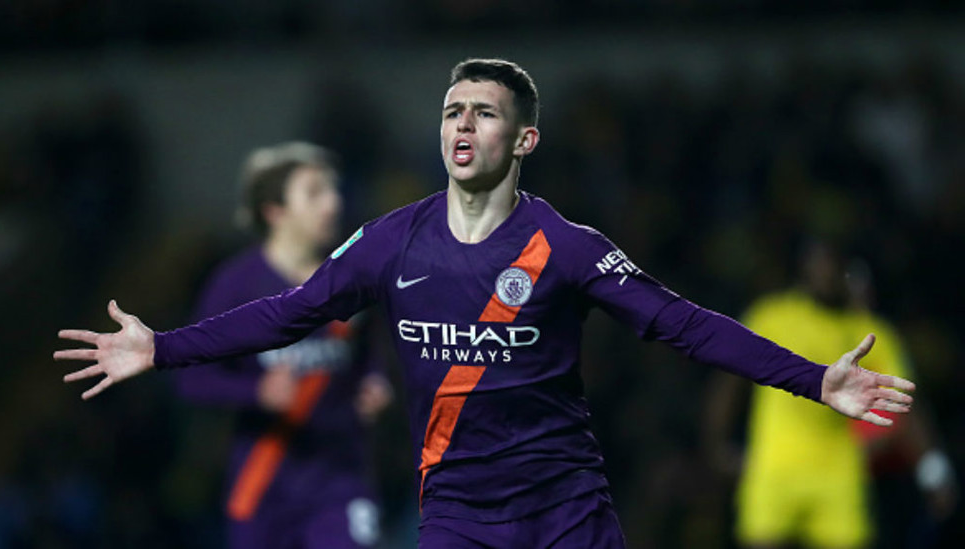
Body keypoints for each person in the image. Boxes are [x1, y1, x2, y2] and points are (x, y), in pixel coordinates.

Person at [56, 58, 915, 548]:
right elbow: (288, 313)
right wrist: (160, 347)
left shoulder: (568, 249)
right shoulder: (393, 240)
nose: (461, 124)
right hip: (461, 518)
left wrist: (816, 381)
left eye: (484, 113)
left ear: (524, 139)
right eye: (450, 110)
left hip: (569, 512)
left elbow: (683, 326)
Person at [174, 142, 392, 548]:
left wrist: (375, 382)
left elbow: (367, 352)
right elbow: (191, 379)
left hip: (340, 477)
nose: (332, 203)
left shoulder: (351, 279)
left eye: (333, 190)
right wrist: (255, 391)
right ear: (274, 211)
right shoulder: (235, 286)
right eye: (315, 193)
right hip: (263, 481)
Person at [703, 240, 954, 549]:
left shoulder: (869, 331)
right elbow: (730, 381)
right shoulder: (772, 317)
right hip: (773, 468)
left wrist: (933, 470)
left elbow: (908, 403)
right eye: (818, 263)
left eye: (832, 264)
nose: (825, 272)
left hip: (839, 474)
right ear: (804, 268)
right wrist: (716, 445)